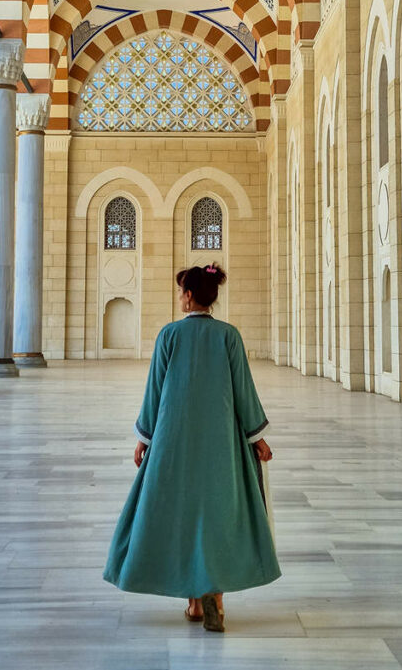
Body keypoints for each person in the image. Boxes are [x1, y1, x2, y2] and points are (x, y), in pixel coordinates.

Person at [103, 262, 280, 632]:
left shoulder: (168, 336)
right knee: (216, 511)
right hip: (221, 441)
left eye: (180, 291)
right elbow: (243, 390)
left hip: (174, 441)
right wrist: (257, 437)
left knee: (181, 512)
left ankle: (194, 605)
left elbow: (155, 392)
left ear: (187, 296)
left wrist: (144, 438)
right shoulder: (228, 336)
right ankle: (214, 596)